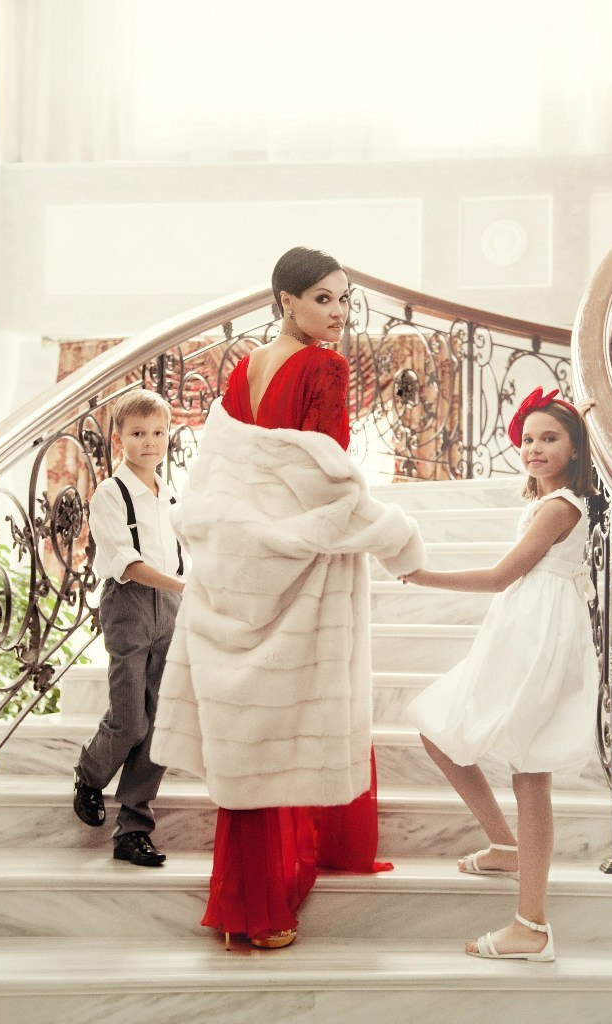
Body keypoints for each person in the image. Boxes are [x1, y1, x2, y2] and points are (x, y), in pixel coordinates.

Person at [151, 246, 426, 948]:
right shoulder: (325, 368)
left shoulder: (244, 368)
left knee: (258, 734)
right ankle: (266, 907)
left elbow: (232, 471)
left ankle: (254, 900)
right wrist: (397, 541)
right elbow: (328, 482)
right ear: (286, 301)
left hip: (246, 557)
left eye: (343, 300)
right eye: (323, 299)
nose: (338, 313)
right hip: (303, 558)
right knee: (295, 715)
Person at [403, 386, 597, 962]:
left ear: (575, 449)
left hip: (541, 639)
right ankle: (505, 845)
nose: (534, 447)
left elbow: (500, 576)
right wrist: (573, 415)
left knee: (530, 770)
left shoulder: (562, 508)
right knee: (439, 731)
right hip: (517, 633)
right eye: (528, 439)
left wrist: (421, 575)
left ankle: (531, 926)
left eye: (550, 438)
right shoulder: (544, 502)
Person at [73, 389, 185, 866]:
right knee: (131, 719)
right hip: (130, 604)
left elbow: (184, 544)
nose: (150, 443)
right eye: (138, 434)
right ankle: (90, 773)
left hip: (173, 608)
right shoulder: (110, 493)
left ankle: (133, 829)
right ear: (119, 440)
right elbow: (126, 561)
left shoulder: (170, 489)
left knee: (160, 725)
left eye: (158, 433)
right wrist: (183, 585)